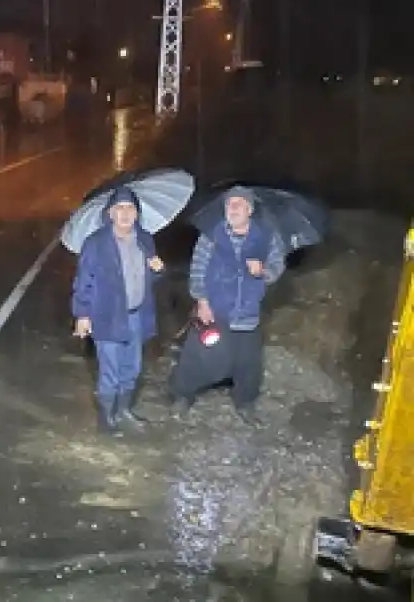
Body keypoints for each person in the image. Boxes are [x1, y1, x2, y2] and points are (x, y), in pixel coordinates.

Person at [170, 185, 285, 425]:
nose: (232, 208)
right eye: (229, 204)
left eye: (238, 204)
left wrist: (263, 271)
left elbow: (277, 265)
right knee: (198, 355)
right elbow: (198, 268)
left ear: (249, 210)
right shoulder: (211, 236)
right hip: (215, 309)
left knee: (248, 362)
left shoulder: (266, 237)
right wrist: (202, 301)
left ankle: (246, 402)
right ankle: (183, 396)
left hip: (248, 310)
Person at [72, 186, 165, 435]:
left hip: (137, 315)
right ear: (110, 213)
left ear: (137, 213)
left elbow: (150, 281)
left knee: (132, 369)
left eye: (130, 208)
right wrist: (82, 315)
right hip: (108, 316)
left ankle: (124, 411)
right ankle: (107, 419)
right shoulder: (96, 243)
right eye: (119, 208)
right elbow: (84, 281)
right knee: (110, 372)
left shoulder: (145, 240)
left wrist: (157, 271)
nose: (125, 213)